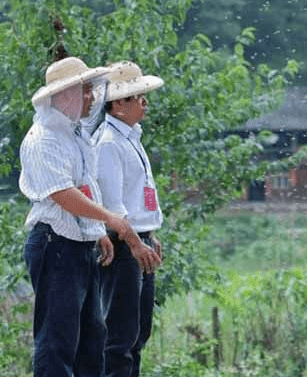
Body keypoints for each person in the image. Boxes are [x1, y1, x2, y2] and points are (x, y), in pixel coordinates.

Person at [19, 57, 161, 377]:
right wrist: (113, 221)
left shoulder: (74, 134)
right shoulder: (43, 138)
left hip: (79, 244)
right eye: (83, 91)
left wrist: (97, 230)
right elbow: (63, 194)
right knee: (58, 340)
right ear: (64, 94)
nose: (91, 97)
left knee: (91, 340)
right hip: (55, 244)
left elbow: (87, 186)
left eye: (89, 90)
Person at [94, 61, 164, 377]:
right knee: (120, 335)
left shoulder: (130, 138)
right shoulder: (108, 143)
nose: (143, 102)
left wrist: (150, 234)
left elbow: (137, 195)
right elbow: (113, 206)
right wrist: (137, 242)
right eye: (137, 96)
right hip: (124, 244)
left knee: (138, 332)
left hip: (138, 239)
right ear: (118, 103)